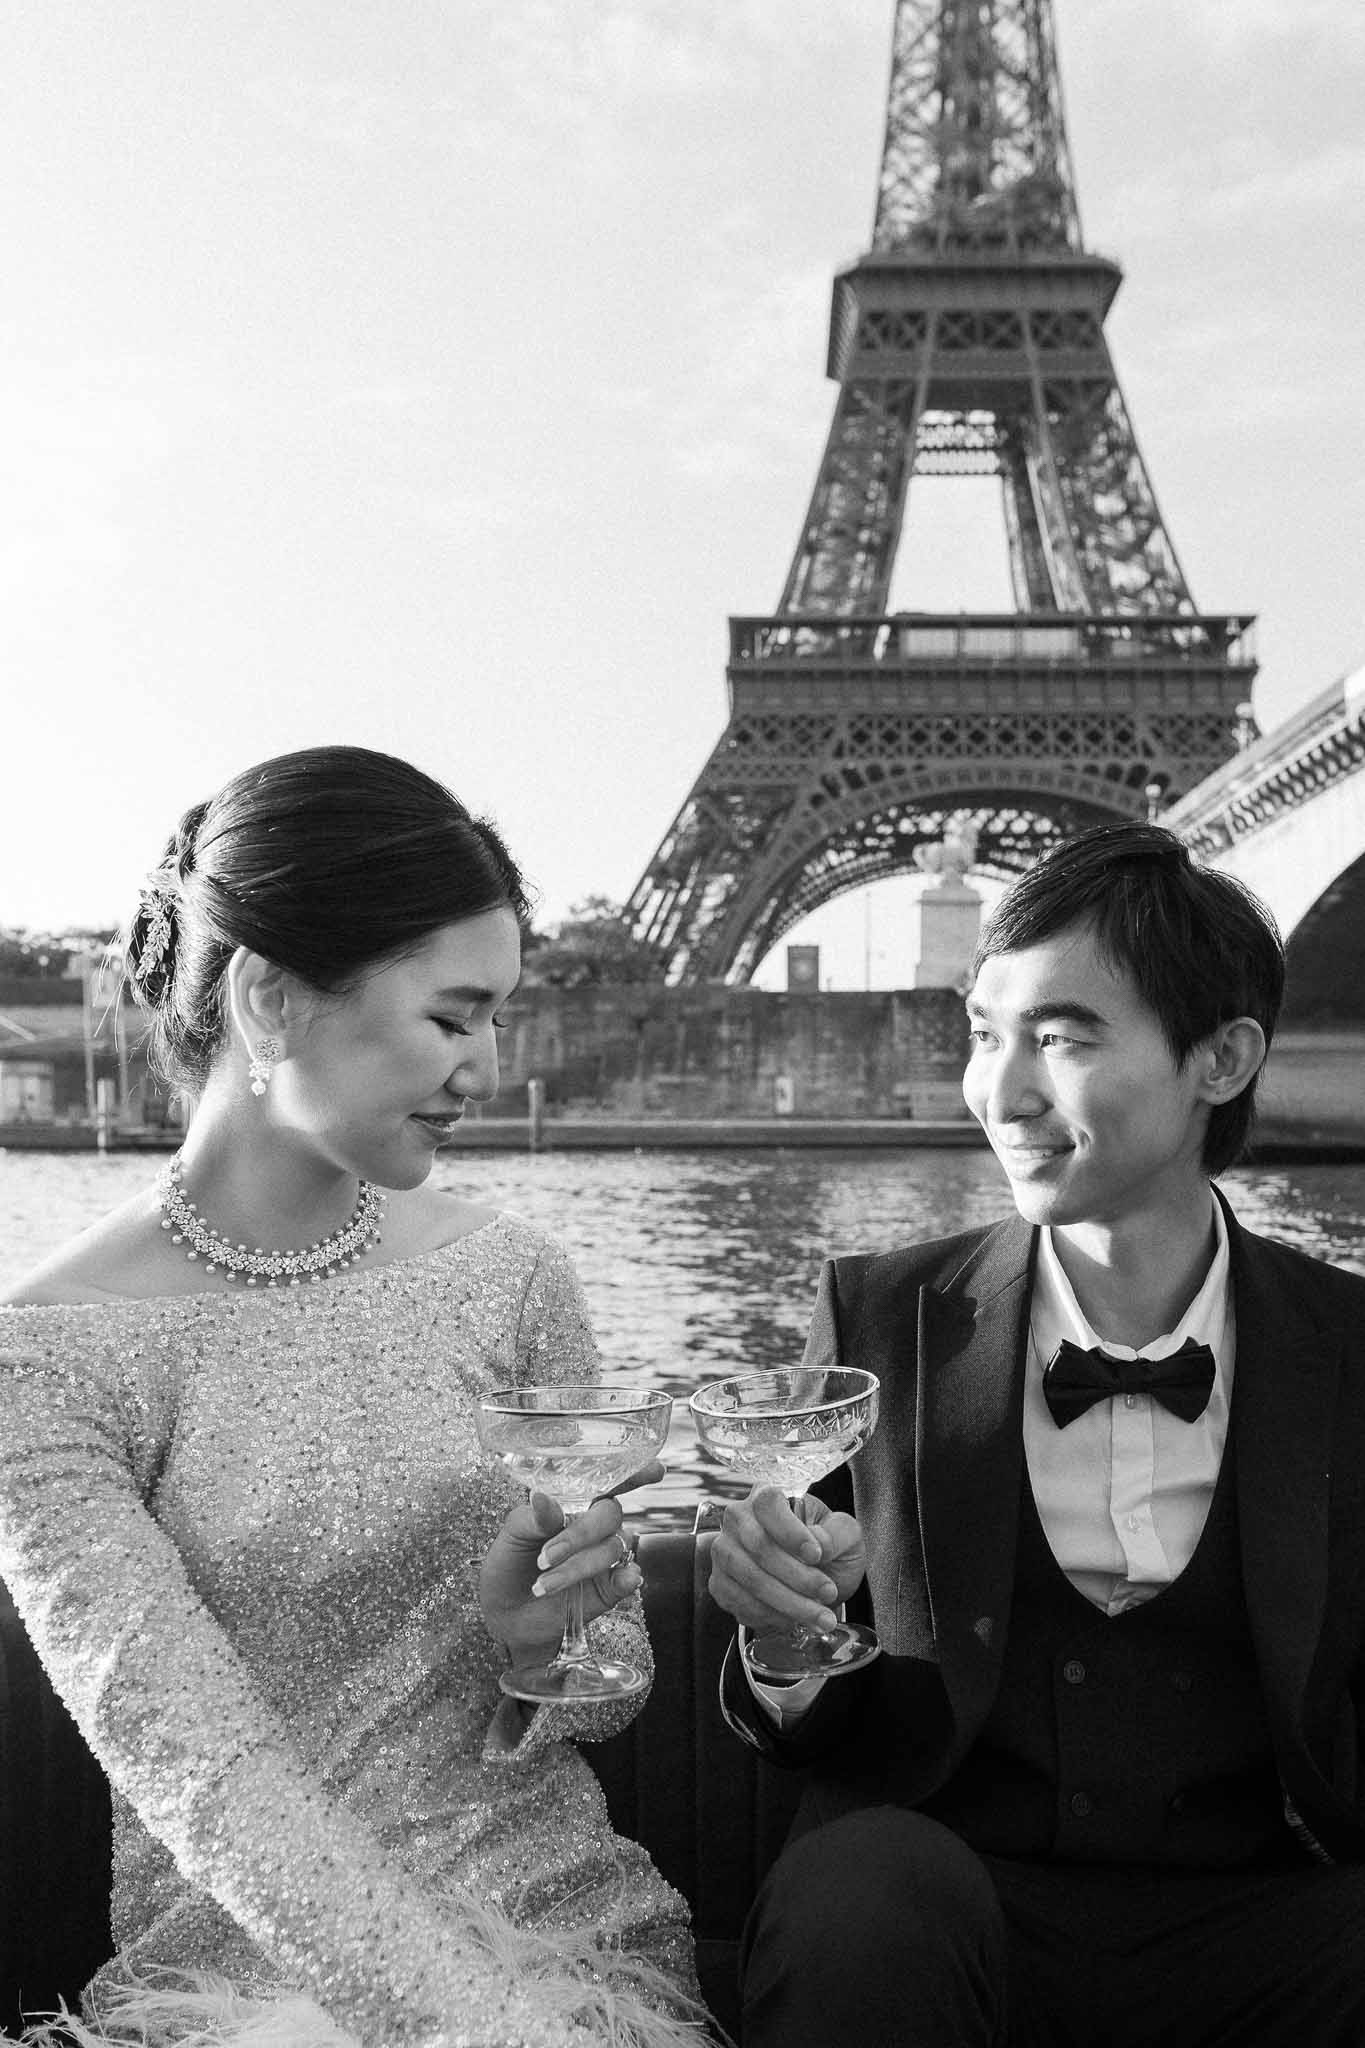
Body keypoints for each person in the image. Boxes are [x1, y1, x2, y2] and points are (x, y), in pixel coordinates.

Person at [0, 746, 709, 2048]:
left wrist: (540, 1645)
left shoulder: (515, 1278)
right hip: (242, 1975)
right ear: (271, 998)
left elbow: (609, 1693)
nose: (487, 1065)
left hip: (565, 1930)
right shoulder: (43, 1359)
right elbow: (207, 1781)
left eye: (496, 1018)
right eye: (453, 1016)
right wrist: (500, 2039)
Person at [708, 821, 1365, 2048]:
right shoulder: (879, 1315)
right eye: (983, 1033)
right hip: (949, 1898)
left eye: (1060, 1039)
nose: (1000, 1094)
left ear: (1221, 1058)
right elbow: (815, 1691)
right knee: (863, 1892)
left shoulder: (1354, 1345)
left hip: (1271, 1922)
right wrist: (785, 1632)